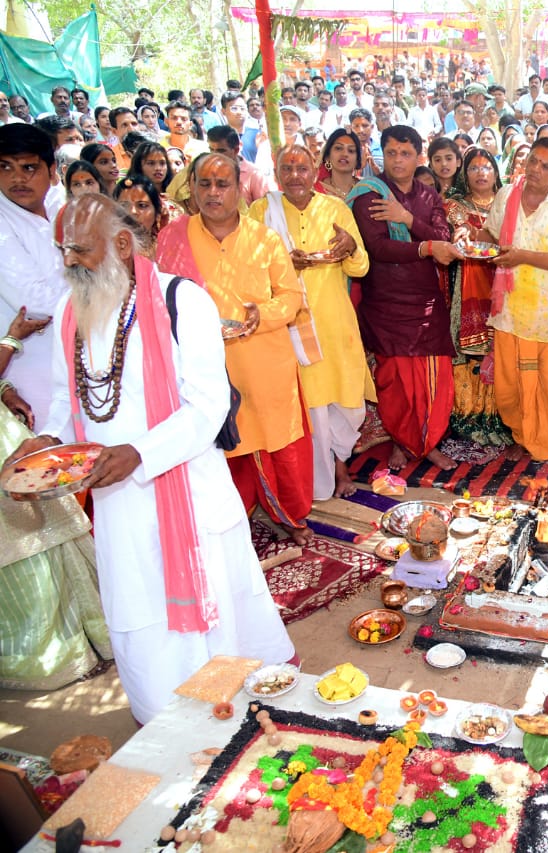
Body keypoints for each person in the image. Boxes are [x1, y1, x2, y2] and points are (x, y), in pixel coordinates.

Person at [7, 194, 294, 723]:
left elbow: (207, 406)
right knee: (142, 608)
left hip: (187, 486)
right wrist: (47, 439)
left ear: (121, 244)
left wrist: (141, 452)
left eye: (78, 251)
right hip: (119, 499)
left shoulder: (183, 302)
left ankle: (230, 709)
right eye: (62, 252)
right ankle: (165, 716)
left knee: (213, 611)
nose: (68, 263)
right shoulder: (74, 311)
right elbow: (68, 402)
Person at [155, 153, 314, 545]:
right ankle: (230, 523)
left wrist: (263, 314)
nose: (213, 192)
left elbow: (292, 297)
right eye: (204, 183)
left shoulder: (265, 238)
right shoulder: (174, 236)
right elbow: (160, 298)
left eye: (222, 184)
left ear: (238, 189)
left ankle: (292, 517)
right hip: (205, 366)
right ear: (191, 189)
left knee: (281, 445)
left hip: (265, 363)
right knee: (221, 445)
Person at [249, 145, 371, 501]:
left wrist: (350, 248)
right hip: (291, 326)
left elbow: (360, 268)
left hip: (334, 323)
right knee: (310, 403)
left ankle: (340, 462)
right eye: (287, 168)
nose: (295, 176)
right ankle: (323, 475)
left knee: (345, 401)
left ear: (316, 169)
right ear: (276, 171)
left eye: (303, 168)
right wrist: (284, 265)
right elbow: (252, 270)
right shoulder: (261, 211)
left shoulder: (334, 208)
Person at [0, 306, 112, 690]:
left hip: (5, 435)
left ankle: (84, 634)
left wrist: (6, 391)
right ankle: (45, 656)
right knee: (21, 549)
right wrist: (12, 339)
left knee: (52, 530)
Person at [348, 125, 463, 472]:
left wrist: (407, 218)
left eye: (406, 153)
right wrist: (426, 246)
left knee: (434, 379)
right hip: (386, 302)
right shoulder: (370, 194)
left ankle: (428, 442)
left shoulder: (428, 197)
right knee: (395, 384)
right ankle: (402, 440)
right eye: (392, 152)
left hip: (426, 300)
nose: (398, 160)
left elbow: (445, 236)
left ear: (419, 157)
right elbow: (378, 247)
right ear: (383, 153)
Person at [481, 138, 548, 461]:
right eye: (533, 161)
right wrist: (468, 240)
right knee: (510, 386)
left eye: (546, 166)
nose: (536, 169)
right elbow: (490, 235)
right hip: (511, 309)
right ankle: (521, 435)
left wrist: (522, 256)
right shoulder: (507, 196)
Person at [0, 124, 67, 429]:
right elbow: (34, 302)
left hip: (73, 359)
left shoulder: (60, 206)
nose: (17, 179)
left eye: (28, 167)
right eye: (5, 167)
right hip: (26, 369)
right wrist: (98, 300)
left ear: (52, 171)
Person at [441, 147, 507, 446]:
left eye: (486, 167)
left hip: (504, 283)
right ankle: (468, 415)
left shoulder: (507, 205)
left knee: (501, 348)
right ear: (465, 175)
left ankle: (498, 416)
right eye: (473, 168)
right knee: (469, 355)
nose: (481, 173)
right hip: (467, 285)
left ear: (495, 172)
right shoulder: (454, 207)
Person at [317, 129, 362, 198]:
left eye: (351, 150)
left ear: (357, 160)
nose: (345, 154)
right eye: (338, 148)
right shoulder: (315, 191)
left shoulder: (366, 188)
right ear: (327, 157)